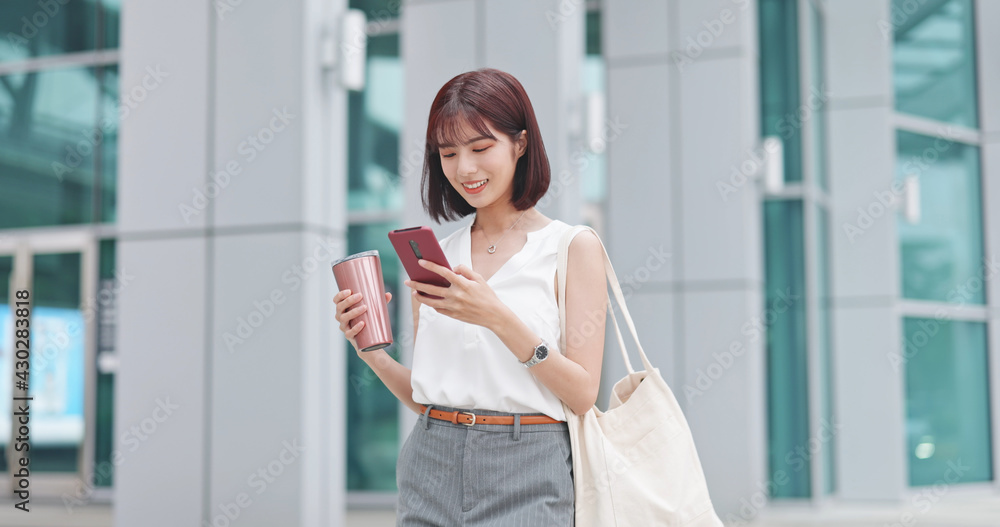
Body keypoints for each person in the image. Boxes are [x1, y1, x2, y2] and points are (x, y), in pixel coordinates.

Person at [334, 67, 608, 525]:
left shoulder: (572, 247)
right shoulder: (440, 257)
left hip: (529, 468)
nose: (464, 168)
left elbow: (582, 394)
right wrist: (373, 354)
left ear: (520, 144)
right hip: (431, 463)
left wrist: (497, 317)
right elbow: (429, 399)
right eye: (448, 153)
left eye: (481, 148)